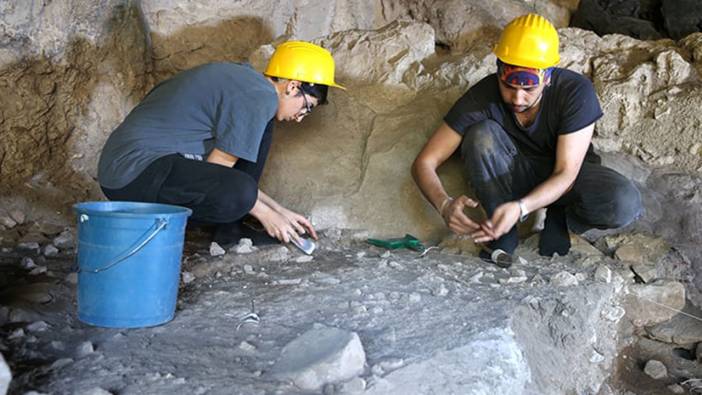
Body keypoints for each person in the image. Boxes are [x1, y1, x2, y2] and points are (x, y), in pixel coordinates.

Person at [412, 14, 642, 259]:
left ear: (548, 76)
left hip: (569, 180)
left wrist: (522, 207)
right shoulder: (481, 97)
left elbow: (565, 173)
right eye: (509, 87)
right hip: (514, 175)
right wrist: (444, 204)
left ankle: (558, 216)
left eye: (529, 89)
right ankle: (502, 226)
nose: (518, 99)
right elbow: (424, 162)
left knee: (624, 202)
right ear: (499, 71)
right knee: (481, 135)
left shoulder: (575, 92)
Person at [97, 41, 345, 247]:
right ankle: (230, 230)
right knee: (238, 193)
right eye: (306, 107)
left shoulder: (246, 84)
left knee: (245, 177)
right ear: (293, 86)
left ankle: (230, 230)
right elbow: (218, 174)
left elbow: (217, 176)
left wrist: (280, 211)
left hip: (132, 171)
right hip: (135, 173)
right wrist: (267, 216)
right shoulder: (259, 97)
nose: (300, 118)